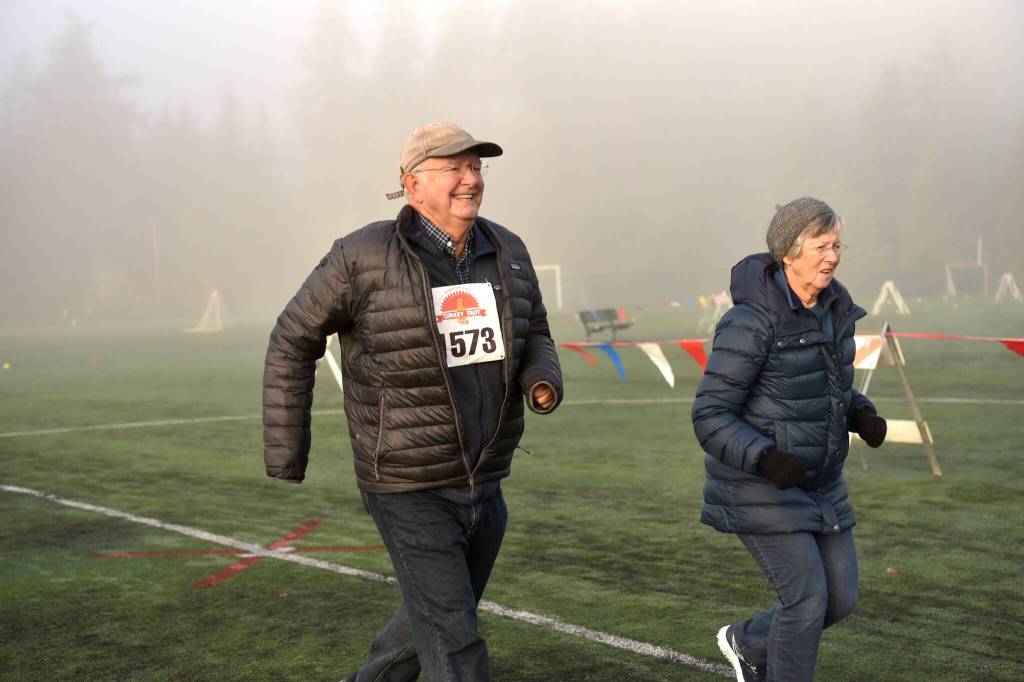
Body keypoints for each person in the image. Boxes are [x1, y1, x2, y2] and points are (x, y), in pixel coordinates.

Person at [262, 121, 563, 681]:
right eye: (456, 168)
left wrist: (541, 378)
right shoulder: (362, 256)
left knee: (426, 625)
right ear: (413, 184)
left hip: (485, 480)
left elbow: (536, 328)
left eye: (477, 167)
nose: (471, 179)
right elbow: (292, 336)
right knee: (456, 645)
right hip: (407, 482)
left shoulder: (509, 250)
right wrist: (287, 450)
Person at [691, 197, 887, 682]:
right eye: (821, 246)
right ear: (788, 252)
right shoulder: (751, 322)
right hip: (760, 485)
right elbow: (710, 414)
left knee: (840, 600)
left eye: (837, 245)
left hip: (821, 482)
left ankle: (749, 642)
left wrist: (860, 413)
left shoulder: (837, 310)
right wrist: (764, 458)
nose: (833, 256)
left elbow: (828, 387)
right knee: (806, 602)